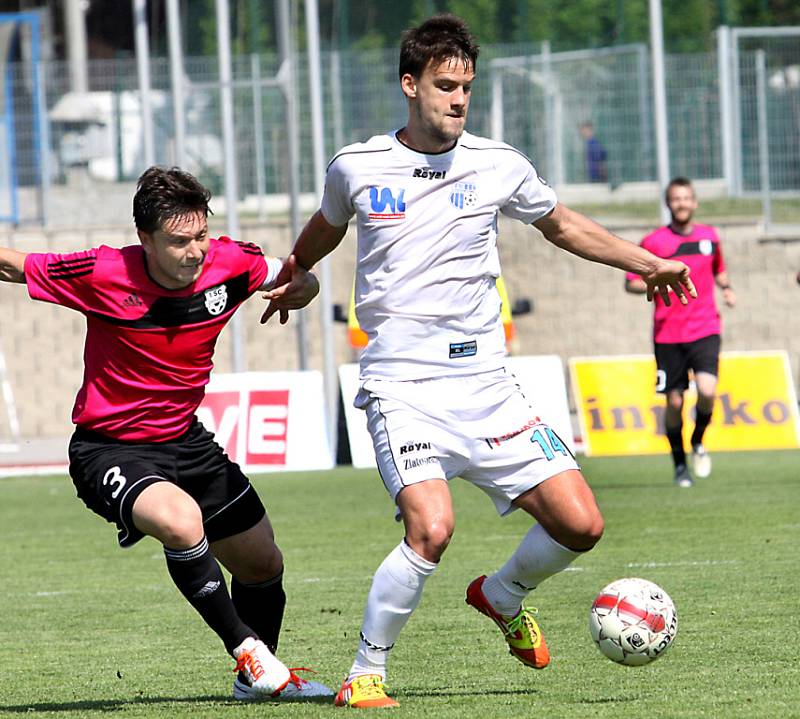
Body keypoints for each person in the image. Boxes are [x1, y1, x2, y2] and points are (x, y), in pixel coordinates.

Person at [263, 15, 695, 708]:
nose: (459, 98)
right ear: (410, 85)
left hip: (486, 383)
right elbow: (326, 223)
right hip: (402, 384)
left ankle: (502, 592)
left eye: (466, 85)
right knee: (431, 525)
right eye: (444, 85)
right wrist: (296, 272)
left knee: (582, 524)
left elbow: (562, 224)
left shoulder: (497, 163)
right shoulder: (357, 165)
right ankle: (366, 669)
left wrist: (648, 262)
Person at [0, 167, 332, 701]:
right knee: (182, 522)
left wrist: (303, 290)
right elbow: (13, 266)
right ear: (145, 240)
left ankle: (257, 686)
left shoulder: (232, 263)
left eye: (200, 235)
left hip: (185, 440)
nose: (195, 251)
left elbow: (295, 275)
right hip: (108, 446)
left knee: (263, 562)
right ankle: (249, 652)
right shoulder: (103, 271)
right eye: (179, 241)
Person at [625, 177, 736, 487]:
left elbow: (718, 269)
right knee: (674, 404)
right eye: (676, 199)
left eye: (687, 198)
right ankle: (679, 464)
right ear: (668, 203)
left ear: (695, 202)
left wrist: (726, 289)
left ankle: (698, 440)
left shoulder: (710, 237)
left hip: (705, 328)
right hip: (668, 334)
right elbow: (631, 281)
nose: (682, 203)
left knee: (708, 390)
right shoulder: (654, 242)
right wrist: (654, 284)